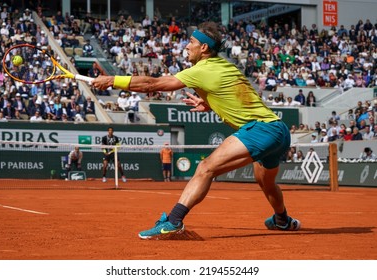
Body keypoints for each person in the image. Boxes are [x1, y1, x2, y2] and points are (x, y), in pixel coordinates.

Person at [92, 21, 300, 239]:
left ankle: (173, 221)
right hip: (279, 131)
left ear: (204, 48)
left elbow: (152, 85)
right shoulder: (225, 65)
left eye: (191, 42)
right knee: (266, 182)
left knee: (205, 168)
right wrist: (209, 103)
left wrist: (112, 80)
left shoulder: (200, 70)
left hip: (261, 130)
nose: (186, 46)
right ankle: (282, 220)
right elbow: (241, 97)